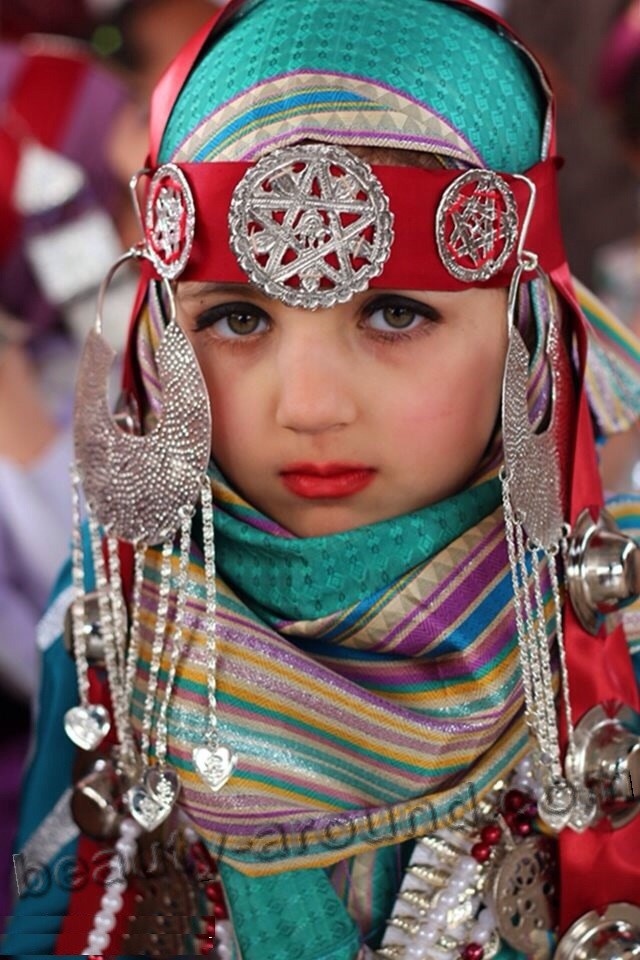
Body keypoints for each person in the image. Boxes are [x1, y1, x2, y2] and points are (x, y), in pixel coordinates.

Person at [4, 0, 640, 957]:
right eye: (239, 321)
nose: (306, 407)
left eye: (392, 314)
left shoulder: (612, 614)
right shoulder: (118, 606)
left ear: (529, 329)